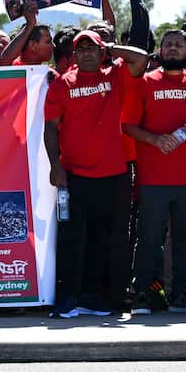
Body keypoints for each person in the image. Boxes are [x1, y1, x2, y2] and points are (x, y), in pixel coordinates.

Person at [43, 30, 149, 318]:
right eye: (81, 49)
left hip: (113, 174)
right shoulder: (63, 84)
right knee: (71, 239)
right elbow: (51, 128)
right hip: (74, 175)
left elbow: (141, 60)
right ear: (73, 55)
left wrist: (111, 47)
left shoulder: (114, 75)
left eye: (92, 48)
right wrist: (56, 165)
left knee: (101, 239)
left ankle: (90, 297)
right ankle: (66, 298)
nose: (87, 53)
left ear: (102, 53)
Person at [122, 29, 186, 315]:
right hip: (154, 178)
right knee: (149, 238)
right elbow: (127, 125)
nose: (173, 48)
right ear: (159, 52)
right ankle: (141, 296)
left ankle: (179, 298)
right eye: (168, 44)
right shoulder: (145, 82)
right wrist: (154, 139)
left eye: (179, 45)